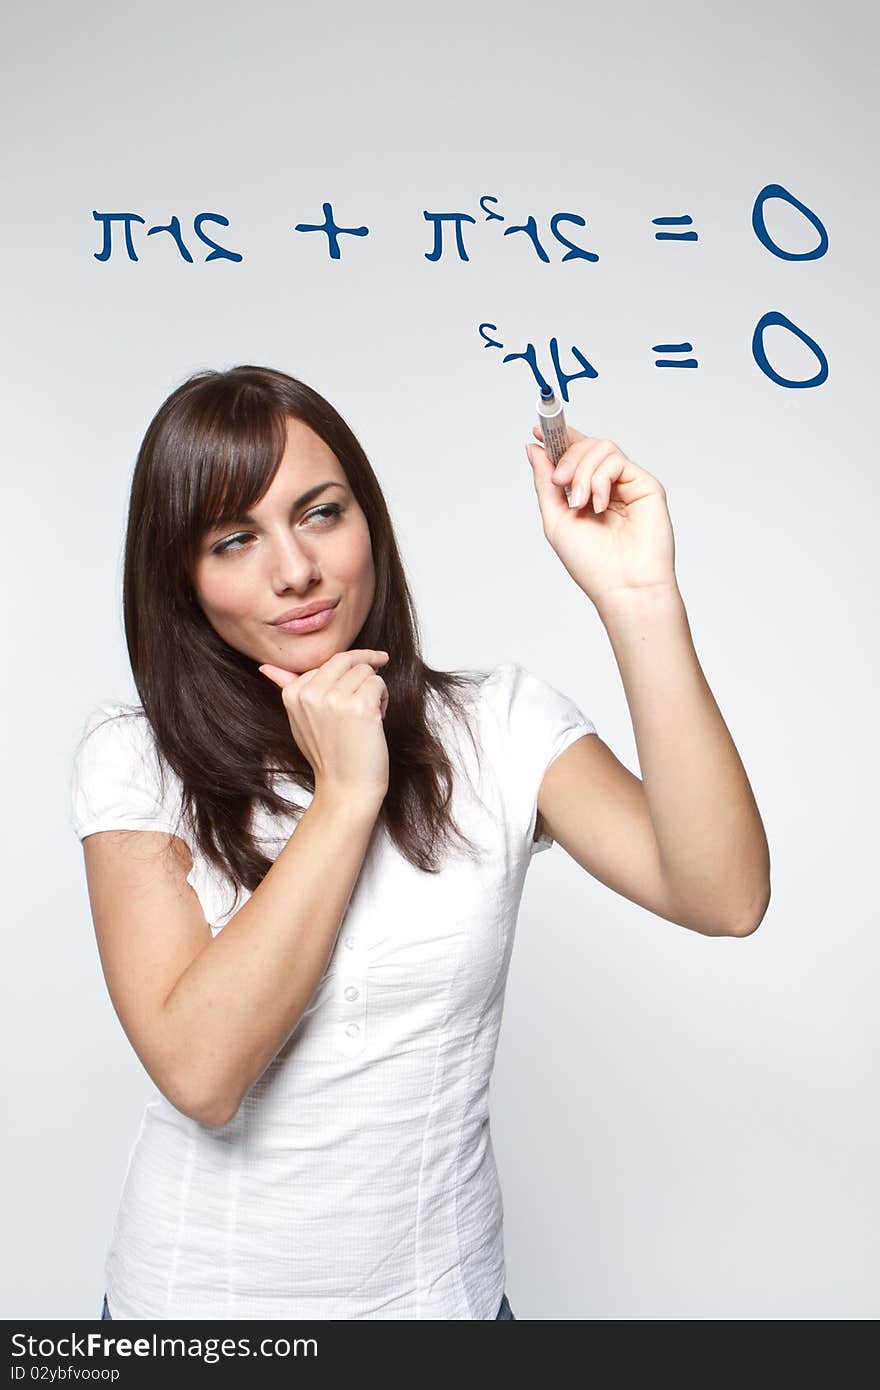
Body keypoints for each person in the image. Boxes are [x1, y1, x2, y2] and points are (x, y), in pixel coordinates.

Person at [70, 365, 770, 1321]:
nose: (294, 569)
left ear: (370, 520)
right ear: (181, 579)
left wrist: (639, 597)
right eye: (235, 539)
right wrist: (346, 795)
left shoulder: (498, 725)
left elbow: (723, 896)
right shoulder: (136, 759)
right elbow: (202, 1073)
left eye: (321, 513)